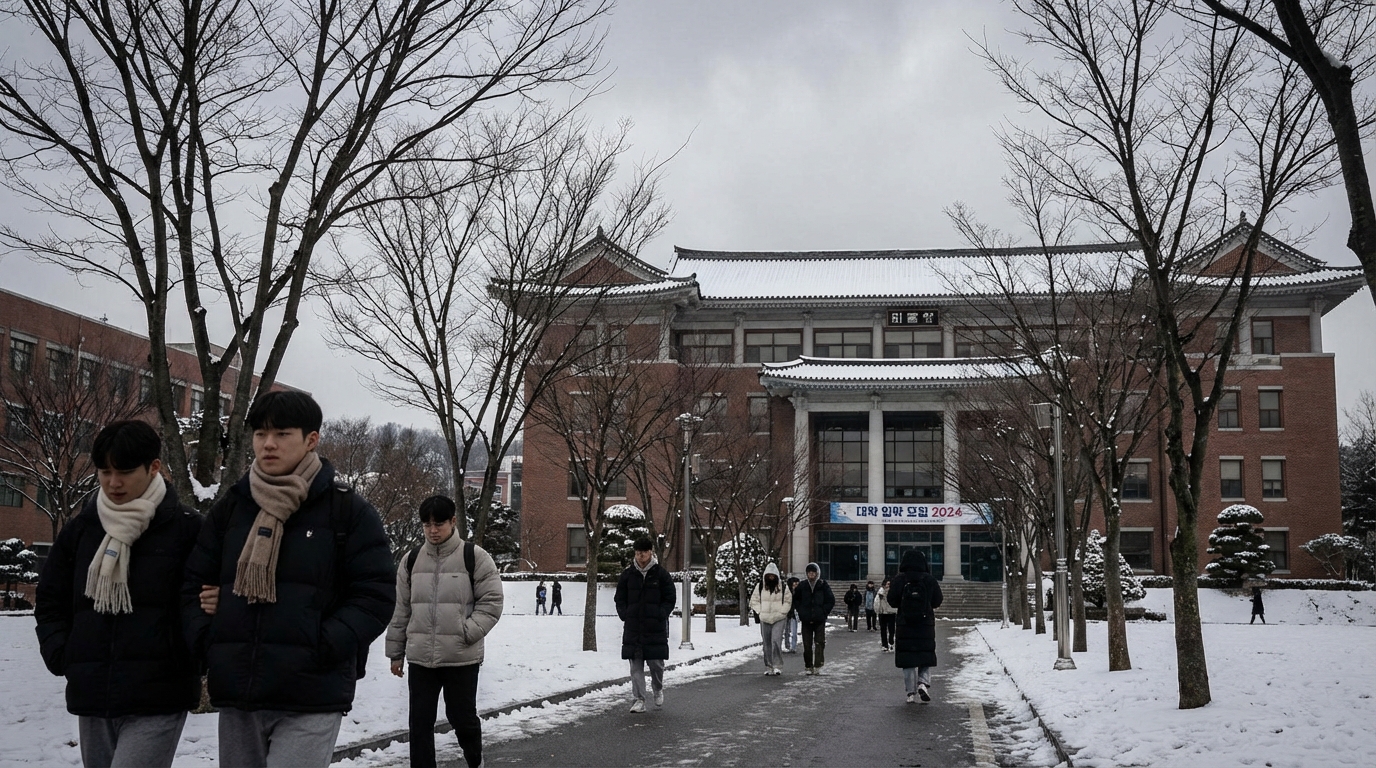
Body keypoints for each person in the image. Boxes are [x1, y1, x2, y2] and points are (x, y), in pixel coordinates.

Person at [183, 391, 395, 767]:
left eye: (281, 434)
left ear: (311, 439)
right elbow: (192, 584)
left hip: (311, 690)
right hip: (239, 689)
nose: (268, 444)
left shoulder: (348, 511)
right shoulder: (232, 507)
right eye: (260, 433)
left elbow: (374, 595)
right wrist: (210, 640)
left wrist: (322, 643)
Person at [35, 421, 201, 768]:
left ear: (154, 467)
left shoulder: (188, 528)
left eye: (124, 472)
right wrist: (63, 653)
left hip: (159, 694)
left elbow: (206, 603)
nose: (113, 483)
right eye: (105, 472)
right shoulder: (82, 528)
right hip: (93, 691)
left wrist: (191, 659)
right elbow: (51, 598)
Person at [387, 495, 504, 768]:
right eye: (427, 524)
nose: (432, 530)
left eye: (439, 523)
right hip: (420, 658)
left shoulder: (474, 557)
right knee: (419, 724)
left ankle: (475, 759)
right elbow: (401, 608)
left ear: (453, 521)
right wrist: (395, 653)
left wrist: (467, 632)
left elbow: (492, 602)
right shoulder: (411, 560)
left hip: (461, 657)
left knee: (462, 718)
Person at [614, 538, 676, 712]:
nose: (640, 556)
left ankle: (657, 688)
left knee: (656, 664)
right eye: (637, 553)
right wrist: (624, 614)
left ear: (650, 552)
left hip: (654, 627)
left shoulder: (661, 574)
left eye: (643, 552)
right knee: (635, 666)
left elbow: (670, 597)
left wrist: (661, 613)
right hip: (633, 627)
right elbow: (620, 597)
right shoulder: (628, 574)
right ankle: (639, 699)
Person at [887, 550, 944, 703]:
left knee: (908, 659)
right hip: (925, 625)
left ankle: (910, 693)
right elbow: (938, 600)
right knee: (925, 655)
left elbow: (891, 600)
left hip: (905, 625)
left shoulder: (900, 579)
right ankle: (923, 683)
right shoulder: (929, 579)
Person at [748, 562, 792, 676]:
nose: (771, 578)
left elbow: (788, 600)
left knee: (776, 641)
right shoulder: (760, 586)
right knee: (766, 643)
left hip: (779, 617)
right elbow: (754, 601)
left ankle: (777, 665)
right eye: (769, 576)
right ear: (765, 576)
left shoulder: (783, 586)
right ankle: (769, 666)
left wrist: (783, 612)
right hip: (765, 617)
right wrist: (760, 612)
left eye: (773, 576)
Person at [793, 563, 835, 675]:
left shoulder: (822, 584)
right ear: (807, 574)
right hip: (806, 619)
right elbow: (796, 600)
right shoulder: (802, 585)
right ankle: (808, 665)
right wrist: (801, 611)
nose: (811, 574)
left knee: (819, 642)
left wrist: (824, 611)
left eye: (813, 572)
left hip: (819, 619)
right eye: (809, 572)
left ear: (817, 573)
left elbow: (830, 600)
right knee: (807, 644)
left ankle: (818, 664)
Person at [876, 577, 898, 652]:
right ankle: (884, 644)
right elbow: (876, 602)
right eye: (887, 584)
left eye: (889, 584)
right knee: (883, 629)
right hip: (882, 613)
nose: (888, 585)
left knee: (891, 629)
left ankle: (891, 642)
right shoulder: (880, 592)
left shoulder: (893, 592)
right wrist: (878, 610)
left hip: (891, 612)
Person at [783, 576, 801, 653]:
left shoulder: (799, 592)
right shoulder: (786, 592)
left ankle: (793, 647)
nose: (796, 585)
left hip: (794, 613)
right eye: (795, 583)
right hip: (787, 612)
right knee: (786, 630)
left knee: (794, 631)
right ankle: (787, 645)